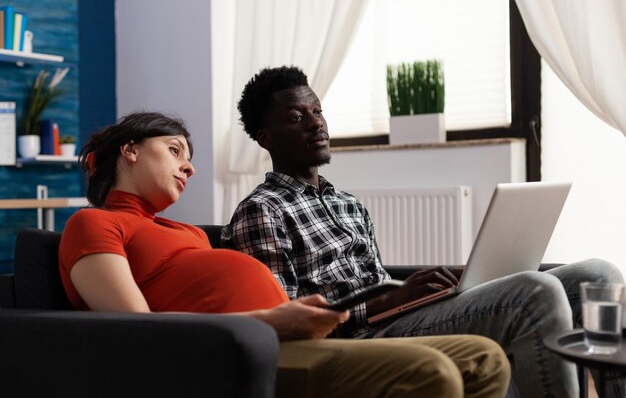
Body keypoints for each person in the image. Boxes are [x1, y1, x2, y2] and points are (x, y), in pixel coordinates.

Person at [221, 65, 626, 398]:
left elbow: (376, 280)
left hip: (400, 316)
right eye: (297, 117)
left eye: (318, 111)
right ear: (266, 138)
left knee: (599, 275)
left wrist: (415, 292)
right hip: (363, 339)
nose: (316, 124)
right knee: (537, 293)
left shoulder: (348, 203)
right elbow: (288, 321)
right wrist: (389, 301)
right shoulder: (261, 211)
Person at [58, 111, 511, 398]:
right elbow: (136, 332)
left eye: (189, 157)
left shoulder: (186, 233)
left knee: (484, 357)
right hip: (230, 357)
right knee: (430, 373)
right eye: (175, 150)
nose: (190, 166)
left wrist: (303, 313)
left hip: (287, 338)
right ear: (130, 151)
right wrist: (272, 321)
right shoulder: (93, 223)